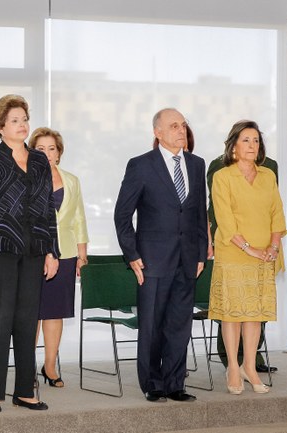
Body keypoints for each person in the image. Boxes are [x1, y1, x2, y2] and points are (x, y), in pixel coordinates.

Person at [0, 94, 59, 413]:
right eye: (15, 120)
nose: (22, 125)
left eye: (24, 119)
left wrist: (51, 251)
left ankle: (24, 391)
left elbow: (48, 209)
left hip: (33, 251)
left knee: (25, 322)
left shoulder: (38, 161)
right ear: (0, 126)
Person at [114, 108, 207, 403]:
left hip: (188, 258)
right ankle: (153, 383)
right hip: (152, 259)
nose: (181, 130)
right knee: (152, 325)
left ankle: (175, 383)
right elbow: (122, 214)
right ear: (158, 132)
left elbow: (198, 213)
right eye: (174, 125)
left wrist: (202, 252)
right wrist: (132, 254)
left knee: (180, 324)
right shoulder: (141, 165)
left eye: (183, 125)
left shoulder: (196, 164)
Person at [208, 120, 285, 395]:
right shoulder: (222, 176)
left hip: (265, 254)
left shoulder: (267, 176)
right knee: (232, 314)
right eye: (246, 140)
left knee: (254, 314)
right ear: (234, 147)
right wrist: (250, 248)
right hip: (234, 253)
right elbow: (225, 221)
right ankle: (232, 366)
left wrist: (273, 248)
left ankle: (250, 367)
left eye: (256, 140)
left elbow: (277, 212)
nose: (252, 145)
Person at [29, 127, 88, 388]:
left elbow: (78, 217)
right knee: (30, 314)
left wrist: (82, 253)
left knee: (54, 313)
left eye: (51, 148)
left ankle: (50, 366)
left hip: (65, 253)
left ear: (59, 153)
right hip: (32, 253)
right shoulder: (24, 179)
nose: (46, 153)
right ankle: (26, 368)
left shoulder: (71, 180)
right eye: (40, 148)